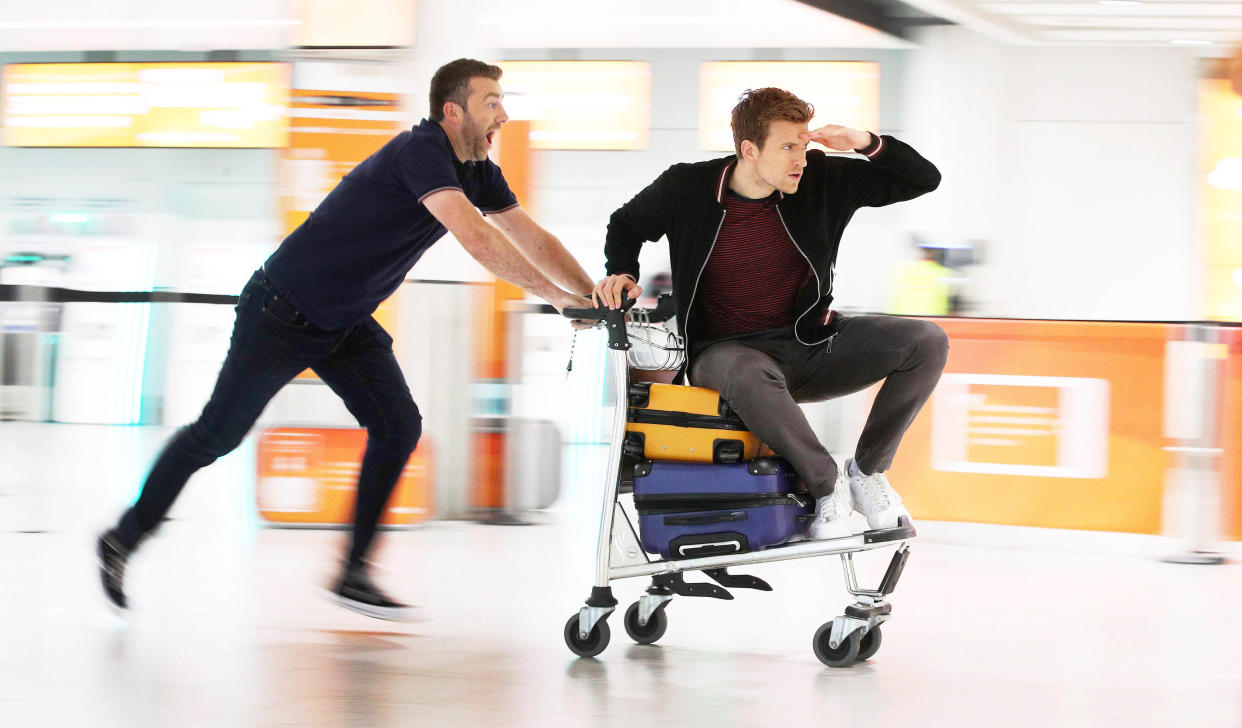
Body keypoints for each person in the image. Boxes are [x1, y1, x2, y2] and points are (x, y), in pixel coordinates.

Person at [97, 58, 594, 619]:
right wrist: (557, 299)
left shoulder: (479, 169)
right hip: (280, 311)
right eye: (491, 103)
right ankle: (123, 539)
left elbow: (531, 235)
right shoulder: (421, 152)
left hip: (345, 321)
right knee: (217, 435)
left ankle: (352, 572)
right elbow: (475, 237)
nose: (503, 113)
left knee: (398, 425)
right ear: (452, 111)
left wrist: (588, 293)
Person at [592, 87, 946, 541]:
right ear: (749, 149)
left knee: (925, 341)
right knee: (742, 367)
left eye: (803, 144)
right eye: (787, 147)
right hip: (725, 355)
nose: (800, 158)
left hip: (810, 345)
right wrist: (621, 272)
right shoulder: (687, 187)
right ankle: (826, 485)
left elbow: (923, 178)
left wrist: (863, 141)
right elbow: (626, 224)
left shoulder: (821, 178)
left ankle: (867, 473)